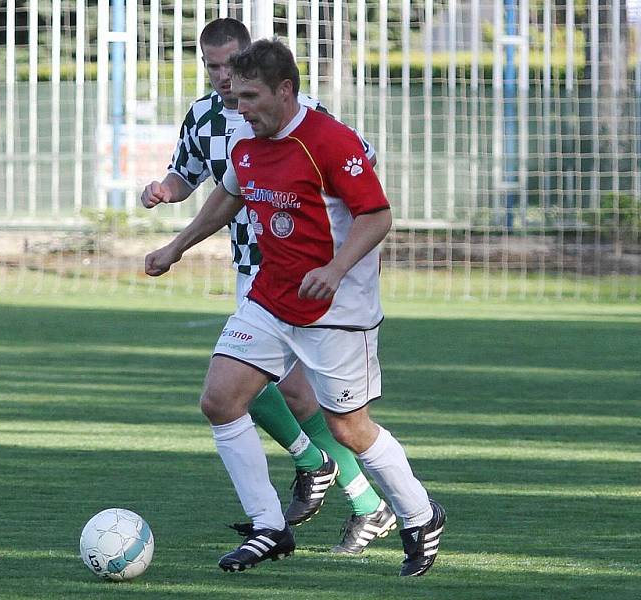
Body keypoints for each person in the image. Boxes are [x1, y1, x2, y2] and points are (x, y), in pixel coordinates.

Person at [145, 38, 446, 577]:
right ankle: (268, 527)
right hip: (269, 297)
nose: (241, 108)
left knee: (351, 429)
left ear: (286, 89)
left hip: (336, 312)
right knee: (220, 400)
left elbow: (376, 216)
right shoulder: (243, 133)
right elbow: (229, 194)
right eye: (235, 97)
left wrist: (333, 271)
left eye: (251, 96)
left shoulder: (329, 140)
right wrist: (176, 246)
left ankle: (421, 516)